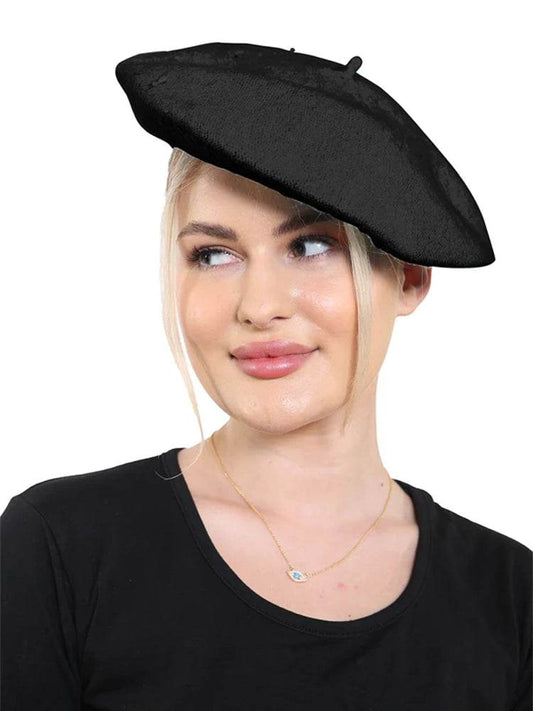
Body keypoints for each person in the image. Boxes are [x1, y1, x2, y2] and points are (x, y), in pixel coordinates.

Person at [1, 43, 531, 710]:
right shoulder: (61, 545)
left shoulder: (509, 595)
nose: (257, 306)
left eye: (310, 245)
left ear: (409, 276)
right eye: (213, 254)